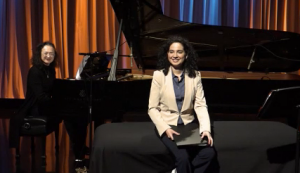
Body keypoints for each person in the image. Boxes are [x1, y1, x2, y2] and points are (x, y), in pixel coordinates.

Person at [9, 41, 88, 171]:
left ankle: (79, 147)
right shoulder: (34, 71)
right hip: (35, 107)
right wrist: (58, 103)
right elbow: (40, 97)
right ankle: (78, 148)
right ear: (39, 54)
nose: (48, 56)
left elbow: (53, 90)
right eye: (45, 53)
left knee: (73, 115)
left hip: (46, 104)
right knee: (69, 115)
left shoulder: (50, 69)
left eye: (51, 53)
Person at [148, 36, 216, 173]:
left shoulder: (195, 76)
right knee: (183, 158)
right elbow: (152, 108)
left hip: (188, 125)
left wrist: (205, 129)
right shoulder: (159, 76)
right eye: (171, 51)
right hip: (168, 125)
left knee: (209, 154)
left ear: (186, 55)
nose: (175, 55)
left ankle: (178, 171)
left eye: (179, 52)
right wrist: (165, 128)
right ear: (167, 54)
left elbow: (200, 105)